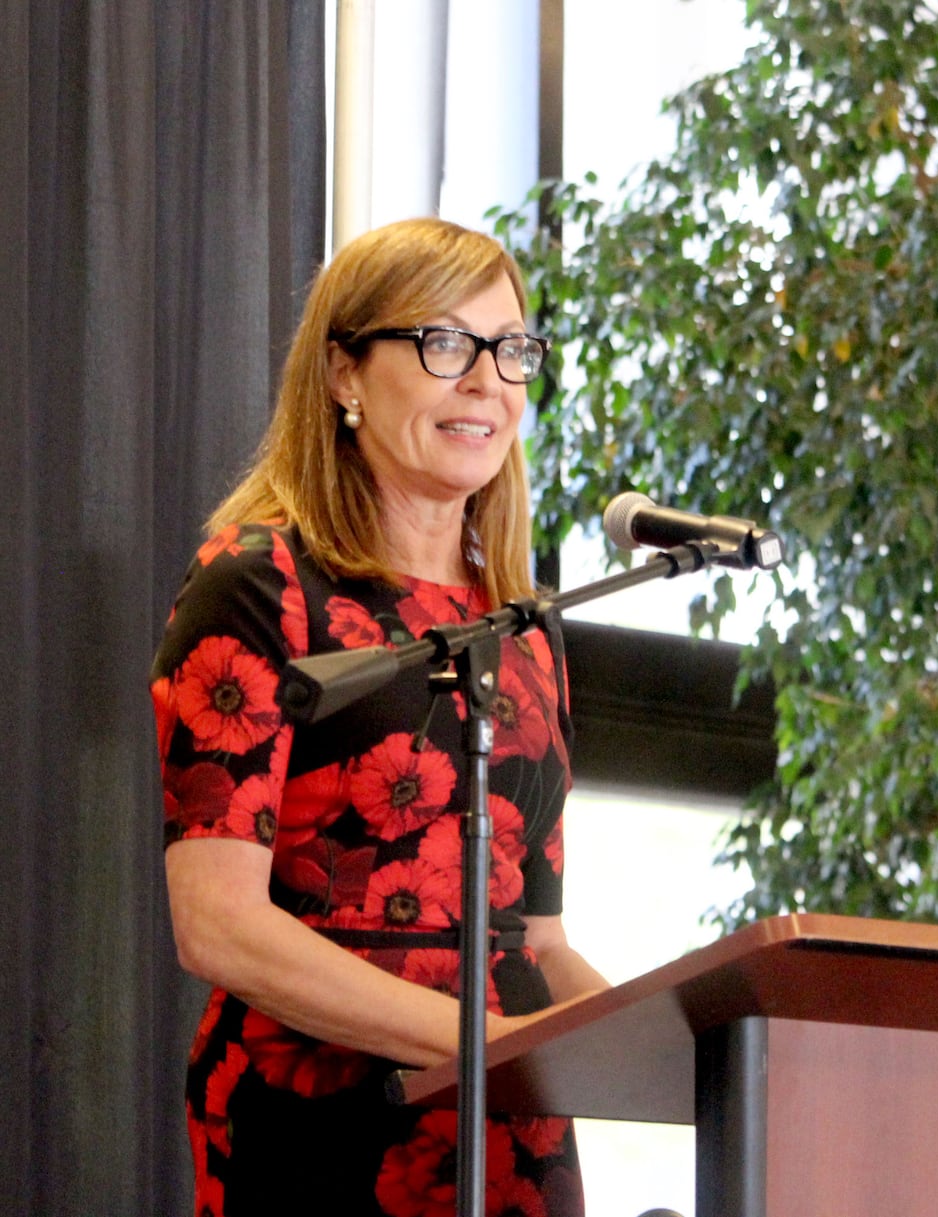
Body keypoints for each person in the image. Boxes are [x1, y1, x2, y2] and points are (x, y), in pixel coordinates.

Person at [151, 216, 607, 1217]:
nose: (488, 380)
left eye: (511, 350)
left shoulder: (526, 627)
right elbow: (218, 924)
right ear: (344, 373)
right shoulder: (259, 586)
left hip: (512, 1136)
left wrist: (687, 1042)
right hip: (315, 1130)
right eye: (445, 343)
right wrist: (472, 1042)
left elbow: (538, 938)